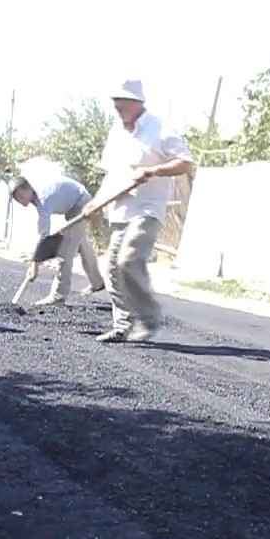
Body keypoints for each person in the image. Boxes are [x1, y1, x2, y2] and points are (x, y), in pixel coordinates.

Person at [86, 79, 194, 343]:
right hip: (121, 210)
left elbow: (186, 163)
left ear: (136, 102)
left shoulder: (160, 129)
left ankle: (149, 317)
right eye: (114, 102)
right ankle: (123, 325)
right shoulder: (116, 135)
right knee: (112, 268)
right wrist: (95, 202)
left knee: (129, 258)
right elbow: (111, 177)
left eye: (120, 102)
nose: (116, 107)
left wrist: (154, 170)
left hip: (148, 209)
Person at [10, 173, 105, 305]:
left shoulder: (43, 198)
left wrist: (35, 264)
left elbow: (43, 234)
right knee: (82, 244)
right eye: (17, 199)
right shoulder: (37, 195)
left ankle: (58, 296)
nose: (21, 201)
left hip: (81, 204)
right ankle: (97, 282)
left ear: (28, 189)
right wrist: (36, 260)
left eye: (21, 196)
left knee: (65, 251)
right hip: (79, 202)